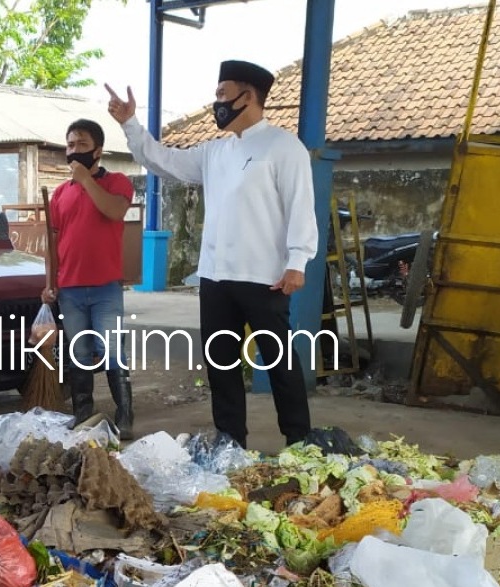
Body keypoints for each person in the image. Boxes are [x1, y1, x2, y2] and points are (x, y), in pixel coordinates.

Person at [105, 60, 318, 449]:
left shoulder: (284, 147)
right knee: (221, 363)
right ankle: (230, 442)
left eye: (222, 94)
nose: (216, 103)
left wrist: (297, 261)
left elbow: (300, 206)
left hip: (265, 277)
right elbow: (163, 160)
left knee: (279, 362)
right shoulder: (215, 151)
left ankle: (300, 441)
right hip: (216, 277)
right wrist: (130, 124)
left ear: (248, 96)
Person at [41, 118, 137, 438]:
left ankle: (125, 414)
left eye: (82, 144)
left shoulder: (118, 182)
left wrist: (85, 180)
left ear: (98, 150)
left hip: (106, 286)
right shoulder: (60, 193)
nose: (74, 150)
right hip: (69, 287)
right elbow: (52, 243)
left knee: (111, 350)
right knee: (79, 353)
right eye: (70, 144)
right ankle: (83, 411)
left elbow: (114, 211)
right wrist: (49, 282)